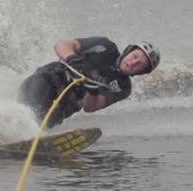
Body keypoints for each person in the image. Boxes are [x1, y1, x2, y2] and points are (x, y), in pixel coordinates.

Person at [18, 37, 160, 126]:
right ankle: (16, 126)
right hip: (46, 80)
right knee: (35, 110)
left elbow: (90, 107)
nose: (133, 62)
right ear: (128, 51)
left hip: (62, 105)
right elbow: (61, 45)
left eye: (139, 64)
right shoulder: (105, 47)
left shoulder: (123, 88)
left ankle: (24, 136)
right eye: (135, 56)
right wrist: (73, 59)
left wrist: (93, 90)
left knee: (49, 118)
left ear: (140, 72)